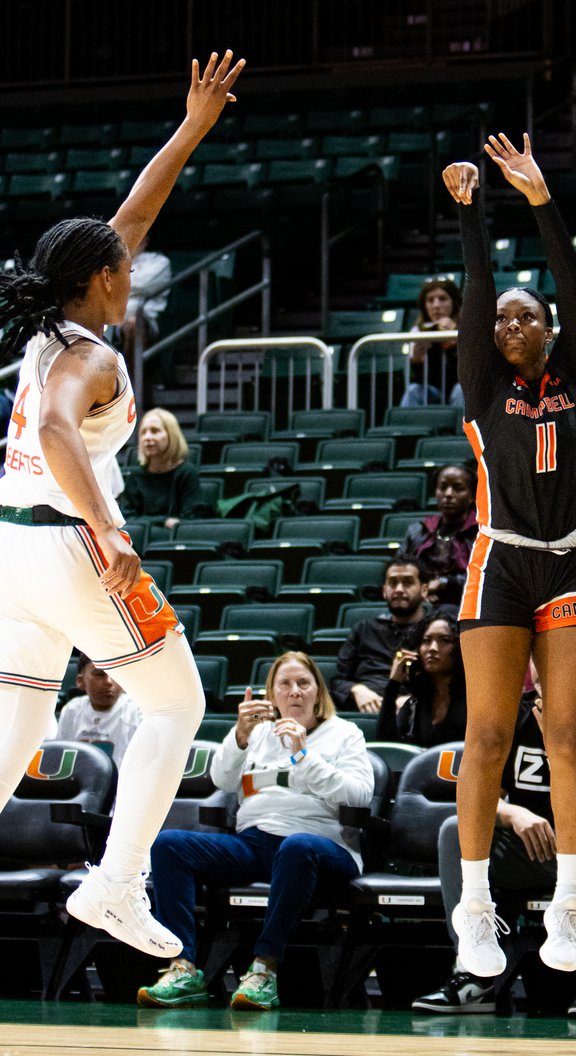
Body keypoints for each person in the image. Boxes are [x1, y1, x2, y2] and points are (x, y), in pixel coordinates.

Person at [0, 49, 244, 959]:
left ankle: (115, 882)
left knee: (11, 733)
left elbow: (129, 218)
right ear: (102, 282)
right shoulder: (89, 358)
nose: (133, 269)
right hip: (69, 549)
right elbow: (62, 431)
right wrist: (109, 526)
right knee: (178, 703)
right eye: (125, 268)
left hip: (12, 556)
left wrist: (190, 129)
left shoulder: (57, 320)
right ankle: (117, 883)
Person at [442, 132, 576, 981]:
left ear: (547, 331)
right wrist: (471, 212)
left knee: (570, 734)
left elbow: (574, 289)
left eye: (525, 314)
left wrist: (539, 196)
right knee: (489, 736)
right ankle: (475, 911)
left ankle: (569, 902)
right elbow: (474, 292)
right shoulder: (481, 381)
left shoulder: (575, 370)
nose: (510, 322)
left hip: (570, 562)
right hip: (500, 562)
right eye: (502, 316)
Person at [138, 652, 374, 1011]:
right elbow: (222, 779)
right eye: (285, 684)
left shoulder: (344, 734)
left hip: (323, 846)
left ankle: (265, 967)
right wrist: (240, 737)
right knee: (169, 845)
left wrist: (303, 755)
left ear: (318, 691)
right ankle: (183, 966)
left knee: (297, 846)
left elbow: (359, 796)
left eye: (303, 683)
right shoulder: (260, 734)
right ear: (272, 694)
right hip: (256, 843)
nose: (294, 692)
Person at [413, 675, 576, 1018]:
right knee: (456, 829)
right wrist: (512, 812)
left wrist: (558, 743)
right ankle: (472, 974)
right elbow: (478, 797)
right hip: (539, 851)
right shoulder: (513, 714)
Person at [329, 559, 433, 714]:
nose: (399, 589)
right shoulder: (364, 629)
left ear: (424, 590)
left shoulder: (435, 631)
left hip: (415, 711)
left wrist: (416, 698)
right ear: (384, 590)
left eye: (408, 582)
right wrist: (356, 689)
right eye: (392, 583)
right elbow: (337, 681)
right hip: (365, 708)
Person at [375, 614, 468, 746]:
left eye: (444, 640)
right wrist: (393, 685)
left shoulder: (474, 697)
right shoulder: (416, 702)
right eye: (426, 640)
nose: (432, 648)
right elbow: (386, 746)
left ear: (459, 647)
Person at [396, 464, 478, 607]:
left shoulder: (482, 532)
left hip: (466, 605)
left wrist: (443, 584)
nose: (448, 494)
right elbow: (399, 569)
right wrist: (422, 590)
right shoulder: (417, 531)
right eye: (442, 487)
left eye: (458, 488)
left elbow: (484, 577)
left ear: (471, 496)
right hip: (421, 603)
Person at [56, 651, 141, 767]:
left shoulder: (137, 712)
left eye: (115, 674)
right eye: (100, 674)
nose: (109, 681)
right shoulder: (71, 710)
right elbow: (62, 760)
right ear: (81, 681)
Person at [121, 407, 201, 530]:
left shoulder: (187, 473)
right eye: (143, 432)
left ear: (171, 436)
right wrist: (164, 521)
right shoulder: (136, 476)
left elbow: (188, 520)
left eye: (155, 431)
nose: (147, 437)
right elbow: (127, 518)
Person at [400, 277, 464, 409]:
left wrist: (453, 347)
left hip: (460, 391)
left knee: (460, 390)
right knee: (413, 390)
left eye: (442, 299)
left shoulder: (467, 327)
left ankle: (461, 430)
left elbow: (473, 375)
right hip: (434, 393)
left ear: (454, 302)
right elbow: (416, 380)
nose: (436, 305)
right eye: (430, 300)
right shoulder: (418, 331)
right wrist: (417, 362)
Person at [117, 233, 171, 354]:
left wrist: (118, 284)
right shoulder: (114, 262)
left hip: (147, 319)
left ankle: (132, 373)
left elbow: (144, 284)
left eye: (138, 236)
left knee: (133, 324)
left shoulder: (160, 261)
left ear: (145, 241)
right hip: (112, 321)